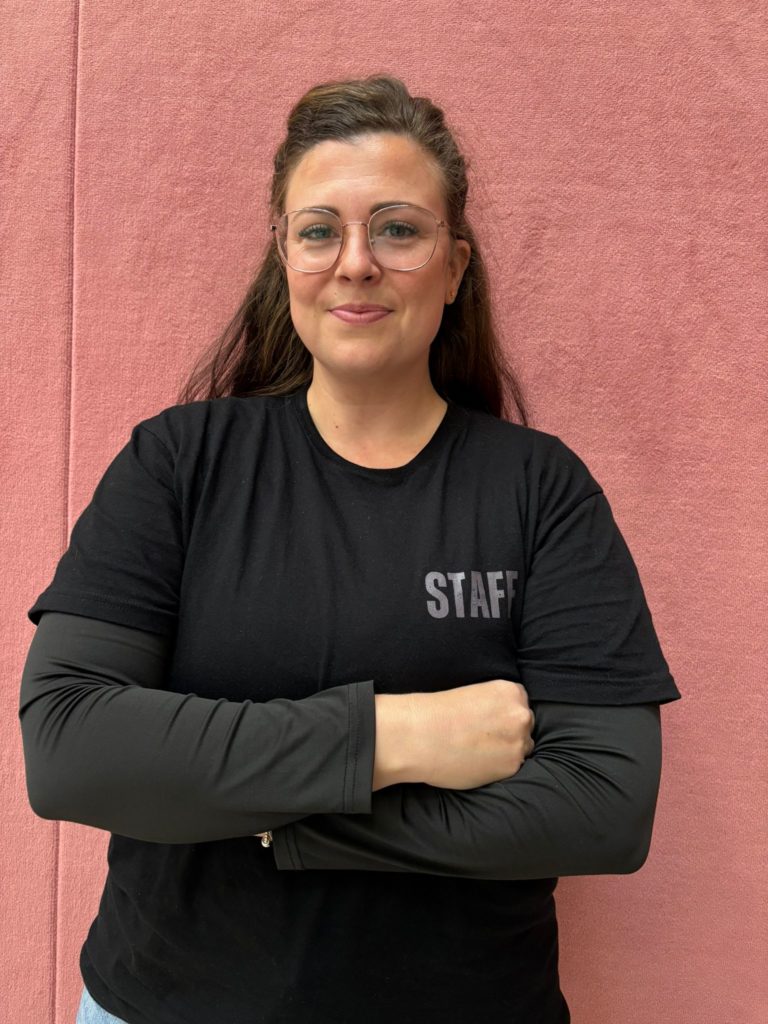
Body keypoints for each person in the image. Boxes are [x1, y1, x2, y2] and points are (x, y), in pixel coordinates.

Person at [19, 74, 681, 1024]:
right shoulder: (179, 464)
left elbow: (605, 806)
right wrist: (394, 738)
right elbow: (71, 747)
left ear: (454, 267)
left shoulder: (539, 490)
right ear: (283, 257)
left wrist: (286, 823)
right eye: (320, 230)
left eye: (399, 230)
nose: (356, 263)